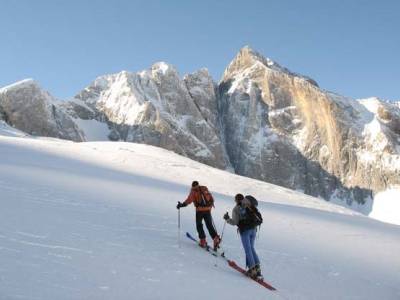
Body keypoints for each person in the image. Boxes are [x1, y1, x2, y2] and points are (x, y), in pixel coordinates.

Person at [224, 194, 263, 279]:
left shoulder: (236, 208)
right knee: (252, 248)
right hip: (253, 229)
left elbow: (234, 222)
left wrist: (227, 219)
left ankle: (252, 270)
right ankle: (258, 269)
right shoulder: (249, 206)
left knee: (248, 250)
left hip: (245, 231)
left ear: (236, 200)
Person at [177, 181, 221, 250]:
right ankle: (216, 239)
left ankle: (202, 240)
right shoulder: (204, 188)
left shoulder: (193, 191)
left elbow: (189, 200)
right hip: (208, 210)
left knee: (199, 225)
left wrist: (181, 205)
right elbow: (211, 198)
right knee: (209, 225)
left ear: (192, 186)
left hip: (200, 211)